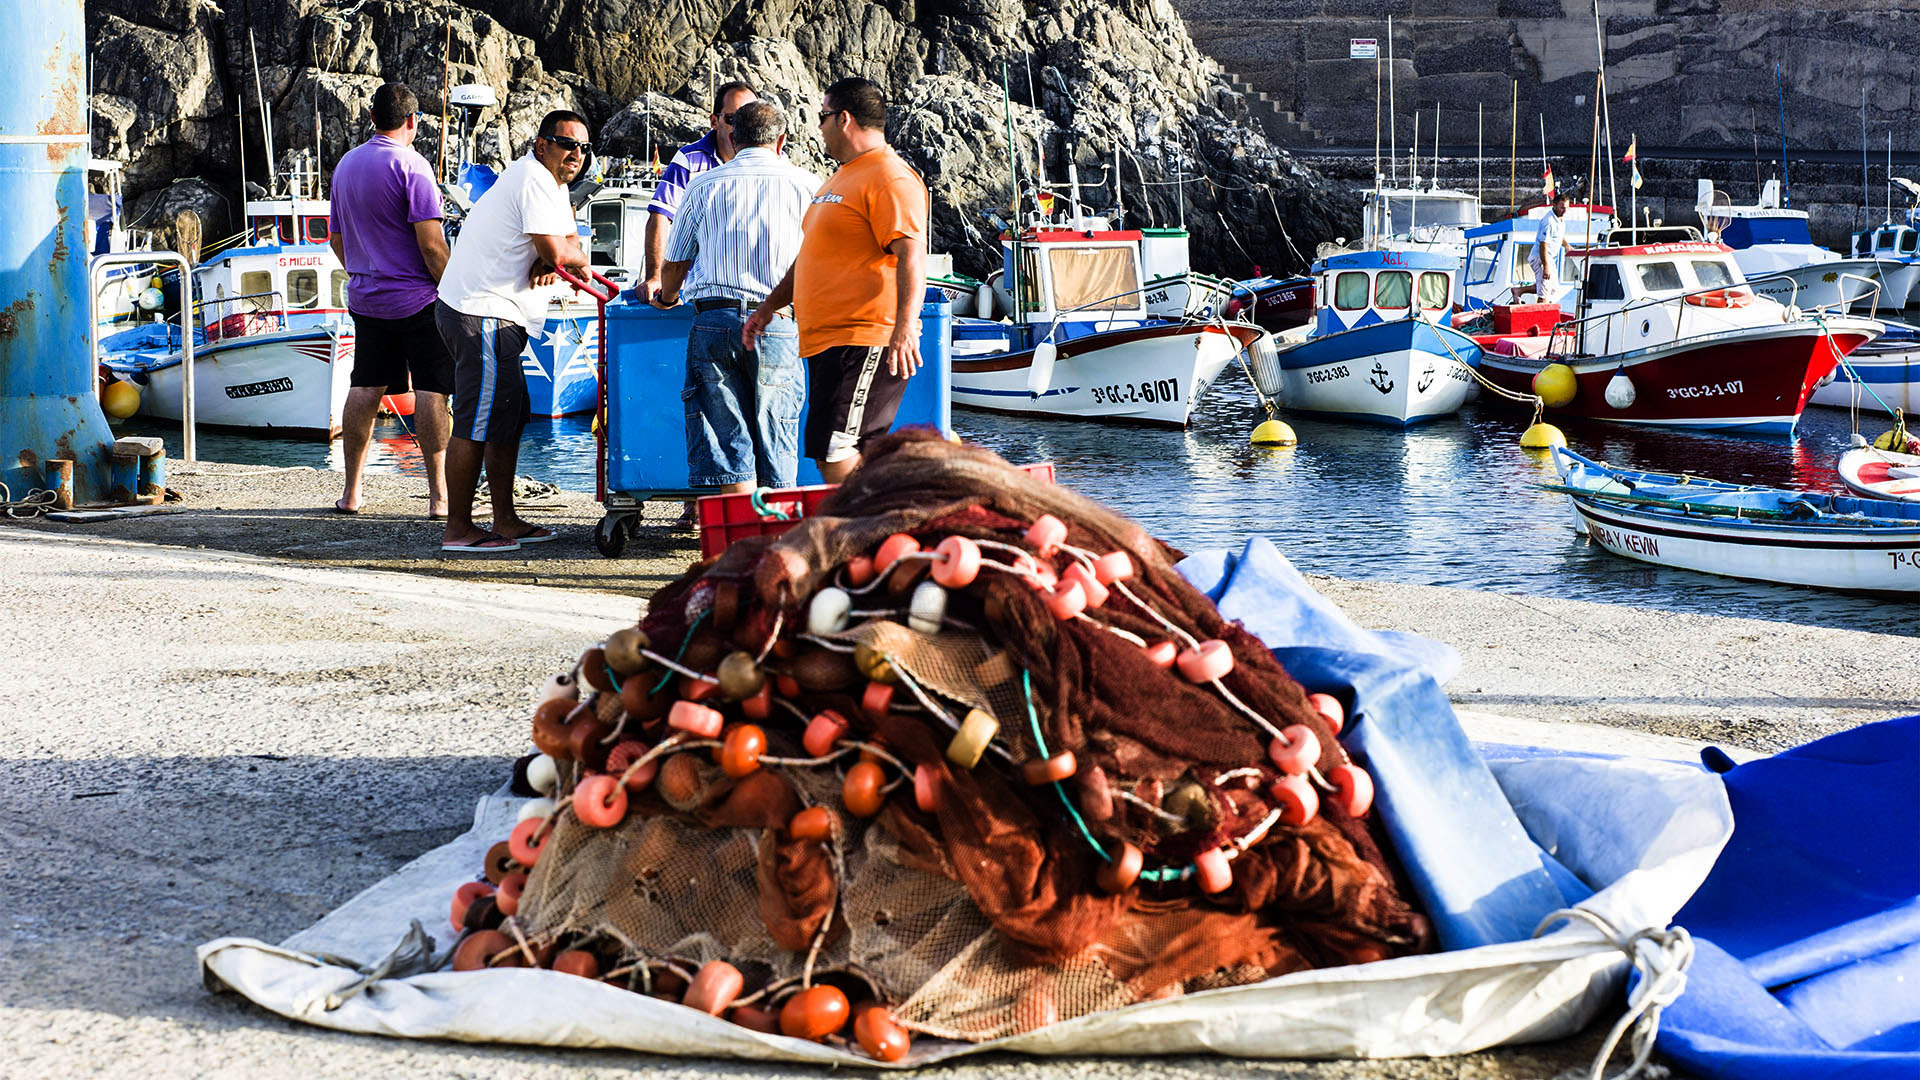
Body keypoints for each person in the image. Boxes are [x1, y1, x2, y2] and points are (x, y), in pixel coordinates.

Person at [743, 77, 928, 483]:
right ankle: (882, 530)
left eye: (822, 116)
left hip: (864, 337)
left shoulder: (889, 176)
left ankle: (871, 530)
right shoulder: (841, 177)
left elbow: (912, 253)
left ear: (844, 118)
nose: (819, 126)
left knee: (835, 446)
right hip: (831, 340)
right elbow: (812, 258)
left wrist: (903, 329)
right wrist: (769, 307)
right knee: (850, 447)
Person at [433, 110, 591, 553]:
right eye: (566, 144)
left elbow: (568, 242)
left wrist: (559, 254)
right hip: (481, 312)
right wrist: (560, 256)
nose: (576, 154)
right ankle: (459, 529)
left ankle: (505, 519)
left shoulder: (555, 189)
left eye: (583, 147)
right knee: (476, 419)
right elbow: (563, 249)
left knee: (508, 414)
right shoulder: (533, 179)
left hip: (498, 316)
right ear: (541, 145)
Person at [652, 101, 817, 494]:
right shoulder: (809, 185)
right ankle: (776, 540)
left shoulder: (704, 185)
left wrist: (668, 295)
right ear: (782, 140)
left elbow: (676, 262)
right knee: (777, 431)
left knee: (728, 441)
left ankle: (741, 539)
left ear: (734, 138)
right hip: (779, 321)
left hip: (715, 320)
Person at [327, 82, 453, 517]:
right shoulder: (413, 166)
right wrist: (452, 286)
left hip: (366, 299)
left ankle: (352, 493)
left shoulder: (345, 166)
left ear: (373, 119)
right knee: (433, 390)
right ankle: (439, 497)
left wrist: (365, 270)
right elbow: (432, 246)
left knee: (365, 386)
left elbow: (336, 238)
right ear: (413, 121)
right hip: (418, 299)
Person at [634, 81, 757, 306]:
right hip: (701, 296)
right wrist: (655, 277)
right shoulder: (689, 160)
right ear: (714, 121)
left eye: (748, 120)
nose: (741, 128)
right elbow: (662, 215)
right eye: (733, 120)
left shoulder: (773, 166)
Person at [1530, 190, 1572, 304]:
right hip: (1540, 258)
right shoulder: (1548, 222)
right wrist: (1546, 265)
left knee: (1553, 289)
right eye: (1562, 207)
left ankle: (1518, 290)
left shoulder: (1560, 218)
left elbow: (1559, 236)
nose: (1565, 211)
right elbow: (1543, 245)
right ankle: (1540, 317)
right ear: (1554, 205)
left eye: (1567, 208)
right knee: (1544, 292)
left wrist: (1567, 246)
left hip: (1549, 258)